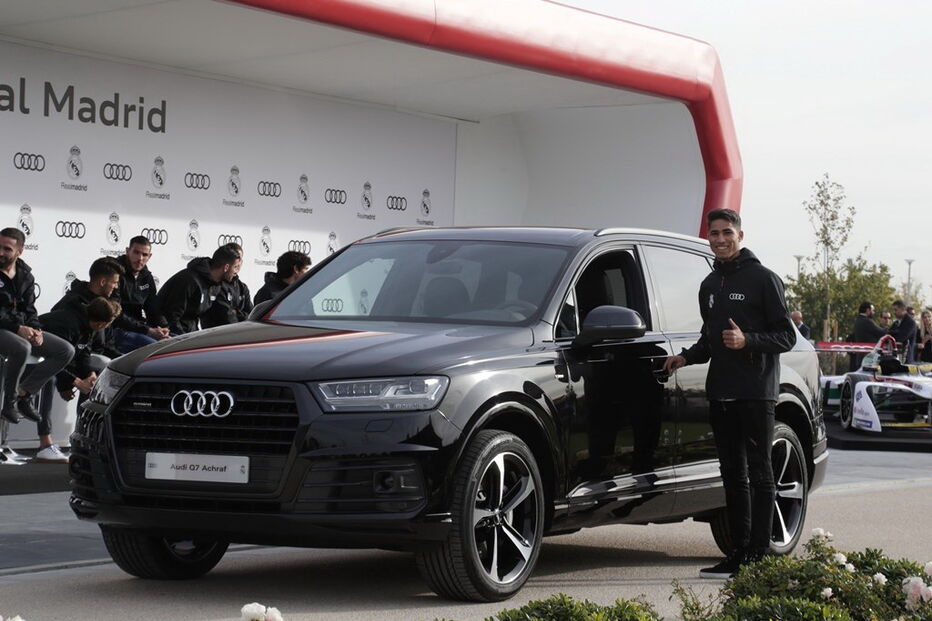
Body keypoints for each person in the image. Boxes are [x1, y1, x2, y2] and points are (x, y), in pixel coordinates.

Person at [662, 209, 795, 579]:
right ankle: (738, 553)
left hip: (756, 393)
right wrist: (685, 357)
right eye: (714, 233)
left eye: (727, 232)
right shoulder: (709, 285)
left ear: (740, 234)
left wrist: (747, 340)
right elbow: (711, 338)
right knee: (732, 474)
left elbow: (785, 336)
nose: (720, 239)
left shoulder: (764, 280)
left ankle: (760, 554)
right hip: (721, 393)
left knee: (760, 473)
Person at [0, 227, 74, 424]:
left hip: (18, 329)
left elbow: (30, 308)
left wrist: (36, 329)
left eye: (7, 249)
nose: (1, 252)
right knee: (22, 347)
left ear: (19, 252)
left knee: (65, 350)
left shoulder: (25, 275)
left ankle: (25, 394)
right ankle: (9, 403)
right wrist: (18, 329)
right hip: (5, 329)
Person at [34, 297, 120, 463]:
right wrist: (74, 382)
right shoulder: (66, 323)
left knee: (96, 375)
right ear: (103, 324)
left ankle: (83, 436)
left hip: (51, 359)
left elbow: (82, 352)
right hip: (30, 356)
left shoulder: (88, 325)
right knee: (50, 379)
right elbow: (54, 359)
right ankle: (45, 445)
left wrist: (88, 374)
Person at [157, 245, 242, 335]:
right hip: (168, 332)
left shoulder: (217, 285)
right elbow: (171, 317)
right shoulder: (189, 280)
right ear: (226, 267)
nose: (236, 272)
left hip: (190, 333)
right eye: (235, 267)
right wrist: (185, 339)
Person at [52, 257, 127, 359]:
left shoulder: (107, 303)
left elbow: (107, 344)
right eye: (114, 282)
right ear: (103, 282)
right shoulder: (71, 303)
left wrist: (121, 359)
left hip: (99, 357)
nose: (116, 287)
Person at [113, 235, 170, 352]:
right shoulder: (115, 273)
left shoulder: (146, 276)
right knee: (161, 349)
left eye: (144, 255)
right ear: (127, 251)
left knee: (176, 343)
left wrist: (163, 328)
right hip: (117, 329)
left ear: (149, 256)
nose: (140, 258)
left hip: (139, 328)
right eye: (136, 252)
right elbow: (114, 314)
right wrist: (148, 331)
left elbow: (153, 308)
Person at [201, 243, 252, 328]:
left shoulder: (242, 287)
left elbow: (252, 316)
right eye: (236, 259)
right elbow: (226, 318)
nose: (239, 263)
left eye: (240, 259)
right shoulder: (215, 285)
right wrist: (241, 315)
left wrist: (237, 313)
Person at [850, 301, 886, 371]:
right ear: (868, 310)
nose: (874, 312)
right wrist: (891, 330)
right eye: (873, 310)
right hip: (869, 359)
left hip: (860, 358)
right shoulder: (867, 321)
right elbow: (881, 332)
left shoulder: (857, 320)